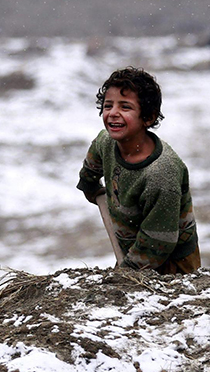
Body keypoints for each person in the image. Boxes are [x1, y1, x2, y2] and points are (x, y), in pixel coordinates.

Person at [77, 67, 200, 274]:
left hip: (172, 260)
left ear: (148, 117)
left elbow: (158, 242)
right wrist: (89, 185)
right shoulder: (107, 142)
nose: (113, 113)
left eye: (125, 107)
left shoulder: (161, 175)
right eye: (108, 105)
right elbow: (95, 156)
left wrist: (127, 272)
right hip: (134, 248)